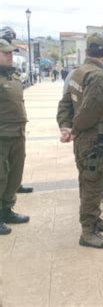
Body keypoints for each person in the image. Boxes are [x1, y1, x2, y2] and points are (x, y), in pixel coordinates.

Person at [57, 33, 103, 249]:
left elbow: (65, 103)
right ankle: (88, 231)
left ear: (87, 52)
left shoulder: (77, 73)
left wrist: (66, 126)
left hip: (85, 137)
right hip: (94, 137)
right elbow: (90, 110)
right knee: (93, 181)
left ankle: (94, 218)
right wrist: (73, 130)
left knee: (89, 179)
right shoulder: (99, 76)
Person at [0, 37, 30, 235]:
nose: (11, 56)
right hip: (1, 136)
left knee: (15, 175)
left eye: (12, 53)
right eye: (6, 53)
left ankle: (7, 209)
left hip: (18, 134)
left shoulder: (14, 77)